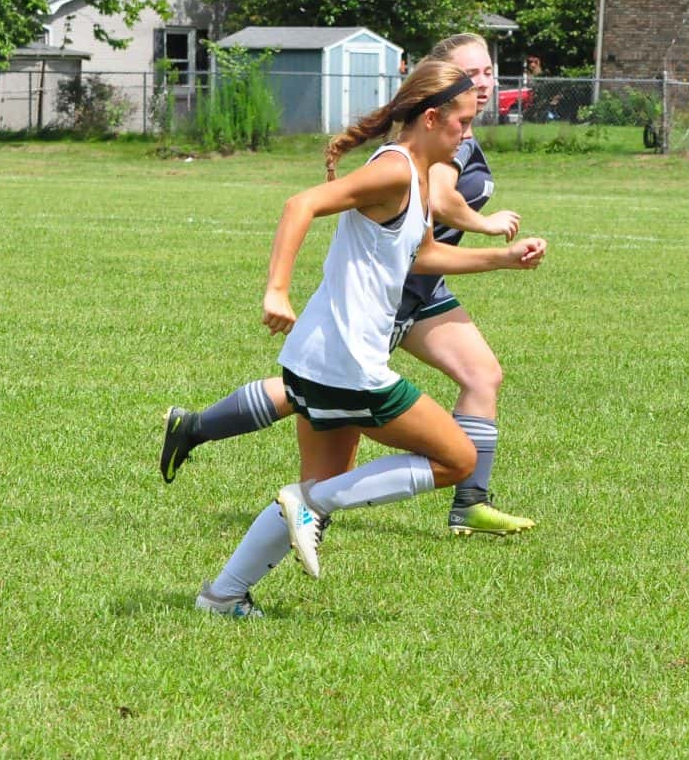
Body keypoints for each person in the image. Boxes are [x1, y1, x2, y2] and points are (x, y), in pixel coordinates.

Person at [194, 58, 547, 617]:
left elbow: (422, 255)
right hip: (348, 364)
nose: (467, 134)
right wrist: (276, 291)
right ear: (431, 118)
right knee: (456, 459)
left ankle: (222, 594)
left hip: (314, 360)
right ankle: (310, 504)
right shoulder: (394, 171)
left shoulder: (417, 177)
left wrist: (501, 258)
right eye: (461, 122)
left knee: (321, 483)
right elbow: (301, 204)